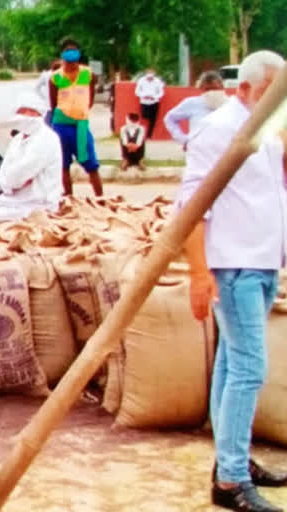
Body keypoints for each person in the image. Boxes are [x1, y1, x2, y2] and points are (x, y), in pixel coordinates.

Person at [178, 50, 287, 512]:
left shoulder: (262, 132)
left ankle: (231, 461)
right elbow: (192, 206)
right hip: (235, 265)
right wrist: (200, 274)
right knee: (248, 368)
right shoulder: (219, 130)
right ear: (244, 89)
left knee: (231, 363)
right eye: (270, 94)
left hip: (259, 261)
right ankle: (231, 481)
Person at [0, 93, 62, 227]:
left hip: (36, 206)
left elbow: (20, 175)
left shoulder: (46, 139)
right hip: (11, 202)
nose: (22, 117)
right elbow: (4, 176)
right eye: (20, 112)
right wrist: (12, 182)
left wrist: (13, 181)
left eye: (28, 112)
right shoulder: (17, 140)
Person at [49, 38, 103, 197]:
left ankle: (100, 198)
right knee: (63, 164)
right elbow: (53, 103)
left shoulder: (88, 74)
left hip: (80, 124)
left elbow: (91, 98)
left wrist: (81, 112)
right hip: (61, 124)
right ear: (63, 55)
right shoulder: (55, 78)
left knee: (91, 164)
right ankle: (69, 197)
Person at [164, 71, 228, 147]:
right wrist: (183, 139)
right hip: (198, 150)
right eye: (207, 89)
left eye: (215, 89)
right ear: (201, 88)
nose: (211, 92)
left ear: (222, 87)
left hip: (225, 148)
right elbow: (170, 118)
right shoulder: (192, 103)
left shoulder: (231, 103)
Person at [135, 67, 165, 138]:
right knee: (144, 115)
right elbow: (137, 91)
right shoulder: (141, 80)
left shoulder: (158, 81)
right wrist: (143, 96)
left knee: (153, 119)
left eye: (151, 77)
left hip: (154, 101)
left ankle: (149, 135)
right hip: (144, 101)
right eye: (148, 77)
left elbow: (161, 92)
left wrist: (155, 97)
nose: (150, 79)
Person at [33, 59, 63, 125]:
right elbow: (36, 88)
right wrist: (44, 98)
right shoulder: (48, 75)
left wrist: (44, 98)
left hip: (51, 106)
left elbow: (36, 88)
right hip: (56, 107)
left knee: (49, 127)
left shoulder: (47, 74)